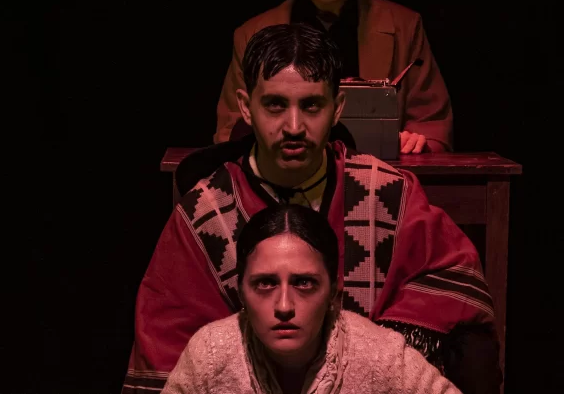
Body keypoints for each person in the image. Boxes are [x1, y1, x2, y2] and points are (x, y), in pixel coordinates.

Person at [123, 24, 500, 394]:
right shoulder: (204, 215)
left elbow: (455, 289)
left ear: (337, 108)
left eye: (311, 105)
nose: (293, 126)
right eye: (275, 104)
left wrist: (376, 356)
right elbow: (166, 341)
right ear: (246, 107)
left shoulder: (386, 193)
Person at [215, 0, 453, 154]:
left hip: (377, 174)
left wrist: (415, 144)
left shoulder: (405, 27)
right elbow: (230, 135)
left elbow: (433, 127)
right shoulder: (251, 34)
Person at [162, 203, 463, 394]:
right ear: (241, 291)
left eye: (304, 283)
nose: (284, 306)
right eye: (265, 283)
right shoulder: (209, 355)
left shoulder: (379, 355)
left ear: (333, 291)